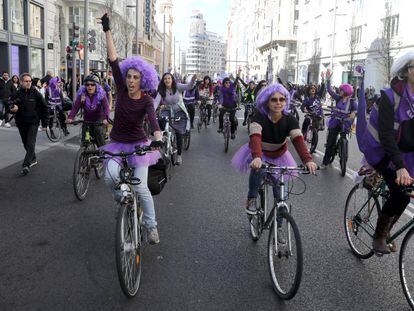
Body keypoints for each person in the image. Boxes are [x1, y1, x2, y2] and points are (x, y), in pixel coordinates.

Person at [100, 13, 163, 244]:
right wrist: (107, 30)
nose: (131, 80)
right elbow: (113, 58)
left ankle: (151, 226)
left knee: (142, 188)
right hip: (117, 143)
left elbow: (153, 121)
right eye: (129, 76)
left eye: (136, 77)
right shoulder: (121, 87)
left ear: (142, 79)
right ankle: (123, 201)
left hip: (139, 146)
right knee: (110, 177)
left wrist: (158, 137)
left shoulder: (146, 100)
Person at [355, 52, 414, 254]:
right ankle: (379, 236)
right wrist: (400, 167)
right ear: (406, 71)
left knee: (407, 194)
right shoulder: (390, 97)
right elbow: (387, 135)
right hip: (383, 151)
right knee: (400, 193)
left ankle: (387, 227)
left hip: (407, 152)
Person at [231, 83, 317, 214]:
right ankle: (252, 197)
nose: (278, 103)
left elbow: (298, 140)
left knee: (280, 193)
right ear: (266, 101)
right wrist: (257, 158)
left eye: (282, 99)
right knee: (257, 170)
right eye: (274, 99)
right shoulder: (259, 117)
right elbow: (255, 138)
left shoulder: (290, 119)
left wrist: (308, 160)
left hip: (280, 155)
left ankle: (280, 219)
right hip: (260, 153)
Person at [9, 73, 48, 175]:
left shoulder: (36, 93)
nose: (29, 83)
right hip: (21, 123)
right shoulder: (17, 94)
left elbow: (44, 108)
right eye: (26, 81)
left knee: (30, 143)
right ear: (21, 82)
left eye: (30, 81)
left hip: (33, 122)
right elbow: (10, 105)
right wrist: (13, 109)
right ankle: (33, 158)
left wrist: (45, 124)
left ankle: (26, 165)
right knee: (26, 143)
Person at [154, 73, 196, 165]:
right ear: (163, 81)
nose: (167, 80)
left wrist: (192, 81)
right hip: (167, 110)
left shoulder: (177, 86)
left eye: (169, 78)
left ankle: (179, 155)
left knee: (179, 132)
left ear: (172, 79)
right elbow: (156, 102)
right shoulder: (162, 90)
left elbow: (188, 86)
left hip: (179, 110)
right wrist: (151, 112)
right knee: (160, 121)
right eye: (165, 79)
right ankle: (164, 138)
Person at [320, 69, 357, 168]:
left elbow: (354, 111)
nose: (339, 91)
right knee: (330, 142)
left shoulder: (353, 102)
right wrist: (328, 79)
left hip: (345, 123)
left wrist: (352, 115)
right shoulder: (338, 98)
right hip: (335, 122)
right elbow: (330, 90)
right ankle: (325, 162)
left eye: (341, 90)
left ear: (345, 91)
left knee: (344, 138)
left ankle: (343, 152)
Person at [66, 75, 110, 147]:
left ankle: (103, 155)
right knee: (84, 141)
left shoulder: (101, 95)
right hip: (87, 121)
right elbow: (75, 107)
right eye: (87, 84)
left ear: (96, 86)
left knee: (100, 142)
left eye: (92, 84)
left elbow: (106, 107)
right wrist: (70, 117)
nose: (90, 86)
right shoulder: (82, 95)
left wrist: (106, 118)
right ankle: (84, 153)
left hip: (98, 121)